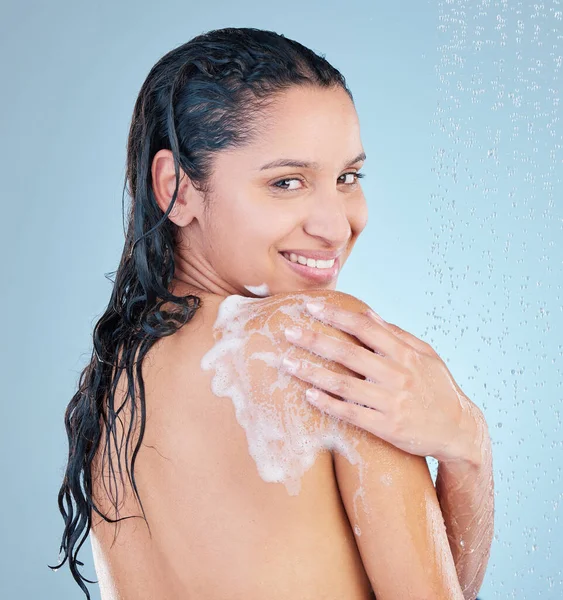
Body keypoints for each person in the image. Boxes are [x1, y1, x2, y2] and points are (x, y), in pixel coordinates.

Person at [50, 27, 494, 599]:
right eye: (287, 182)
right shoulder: (321, 344)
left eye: (347, 178)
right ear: (177, 188)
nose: (336, 225)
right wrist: (471, 446)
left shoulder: (116, 380)